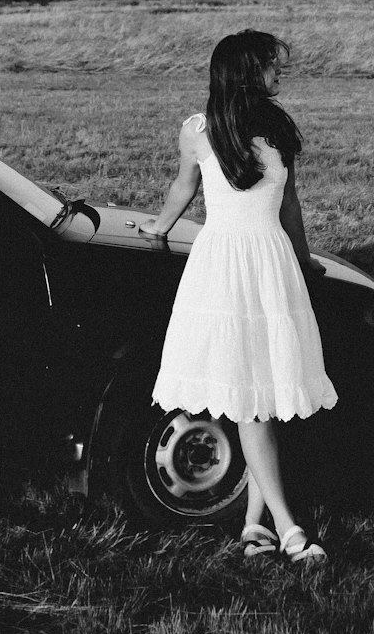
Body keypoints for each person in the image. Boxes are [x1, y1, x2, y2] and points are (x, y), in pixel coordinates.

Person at [140, 30, 336, 564]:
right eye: (273, 66)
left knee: (264, 393)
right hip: (222, 264)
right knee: (251, 399)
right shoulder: (197, 131)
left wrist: (303, 257)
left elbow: (289, 204)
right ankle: (290, 528)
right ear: (247, 71)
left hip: (271, 262)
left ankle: (253, 525)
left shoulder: (277, 129)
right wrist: (159, 228)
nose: (281, 74)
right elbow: (185, 187)